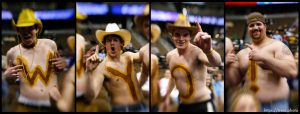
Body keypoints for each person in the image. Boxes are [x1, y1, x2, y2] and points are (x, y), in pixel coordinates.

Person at [226, 12, 297, 112]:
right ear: (248, 29)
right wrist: (228, 66)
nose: (255, 27)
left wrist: (264, 58)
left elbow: (292, 71)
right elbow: (233, 82)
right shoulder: (242, 53)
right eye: (251, 25)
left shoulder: (278, 46)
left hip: (275, 106)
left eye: (258, 24)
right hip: (250, 107)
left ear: (265, 26)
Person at [3, 8, 66, 112]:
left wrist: (61, 67)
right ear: (18, 31)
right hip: (24, 107)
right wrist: (7, 78)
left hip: (51, 106)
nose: (26, 32)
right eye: (22, 28)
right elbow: (11, 84)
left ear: (37, 29)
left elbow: (57, 72)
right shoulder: (11, 53)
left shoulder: (50, 45)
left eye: (30, 28)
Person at [162, 14, 222, 112]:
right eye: (177, 34)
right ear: (172, 36)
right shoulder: (170, 56)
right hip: (184, 106)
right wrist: (167, 96)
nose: (181, 38)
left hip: (202, 105)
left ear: (190, 37)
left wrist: (208, 51)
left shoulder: (197, 52)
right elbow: (173, 77)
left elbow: (216, 62)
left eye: (185, 35)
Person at [85, 23, 148, 112]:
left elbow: (143, 53)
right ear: (104, 44)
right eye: (108, 40)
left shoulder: (128, 56)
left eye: (115, 40)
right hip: (121, 109)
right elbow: (89, 98)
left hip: (142, 106)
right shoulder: (102, 68)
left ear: (121, 43)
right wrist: (89, 72)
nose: (112, 43)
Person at [134, 8, 161, 111]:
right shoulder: (144, 50)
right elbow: (144, 74)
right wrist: (136, 89)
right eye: (146, 25)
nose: (148, 29)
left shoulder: (153, 50)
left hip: (155, 99)